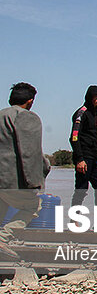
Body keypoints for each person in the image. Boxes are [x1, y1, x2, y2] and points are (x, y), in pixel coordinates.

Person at [0, 83, 45, 259]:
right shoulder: (26, 117)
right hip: (12, 181)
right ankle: (3, 237)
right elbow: (30, 153)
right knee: (33, 205)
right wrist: (36, 182)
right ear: (30, 101)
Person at [70, 85, 97, 208]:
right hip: (83, 156)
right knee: (81, 189)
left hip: (93, 157)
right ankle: (74, 221)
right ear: (90, 97)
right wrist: (79, 159)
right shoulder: (82, 112)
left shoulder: (95, 114)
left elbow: (95, 138)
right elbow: (74, 137)